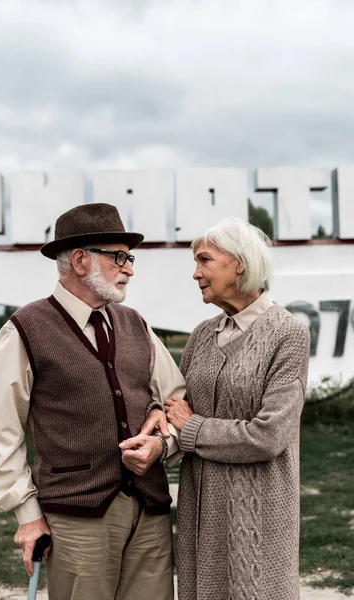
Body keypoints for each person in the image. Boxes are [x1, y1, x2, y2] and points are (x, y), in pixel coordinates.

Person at [0, 203, 185, 600]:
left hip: (150, 510)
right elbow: (3, 435)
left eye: (130, 259)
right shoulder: (25, 329)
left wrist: (164, 443)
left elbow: (178, 400)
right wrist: (27, 517)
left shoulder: (135, 323)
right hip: (76, 519)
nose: (130, 268)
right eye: (119, 257)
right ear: (79, 260)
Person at [164, 218, 310, 600]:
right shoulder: (201, 335)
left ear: (240, 263)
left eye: (204, 261)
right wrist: (159, 445)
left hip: (258, 512)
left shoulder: (287, 333)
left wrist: (193, 428)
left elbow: (268, 436)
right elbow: (176, 413)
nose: (196, 273)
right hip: (200, 510)